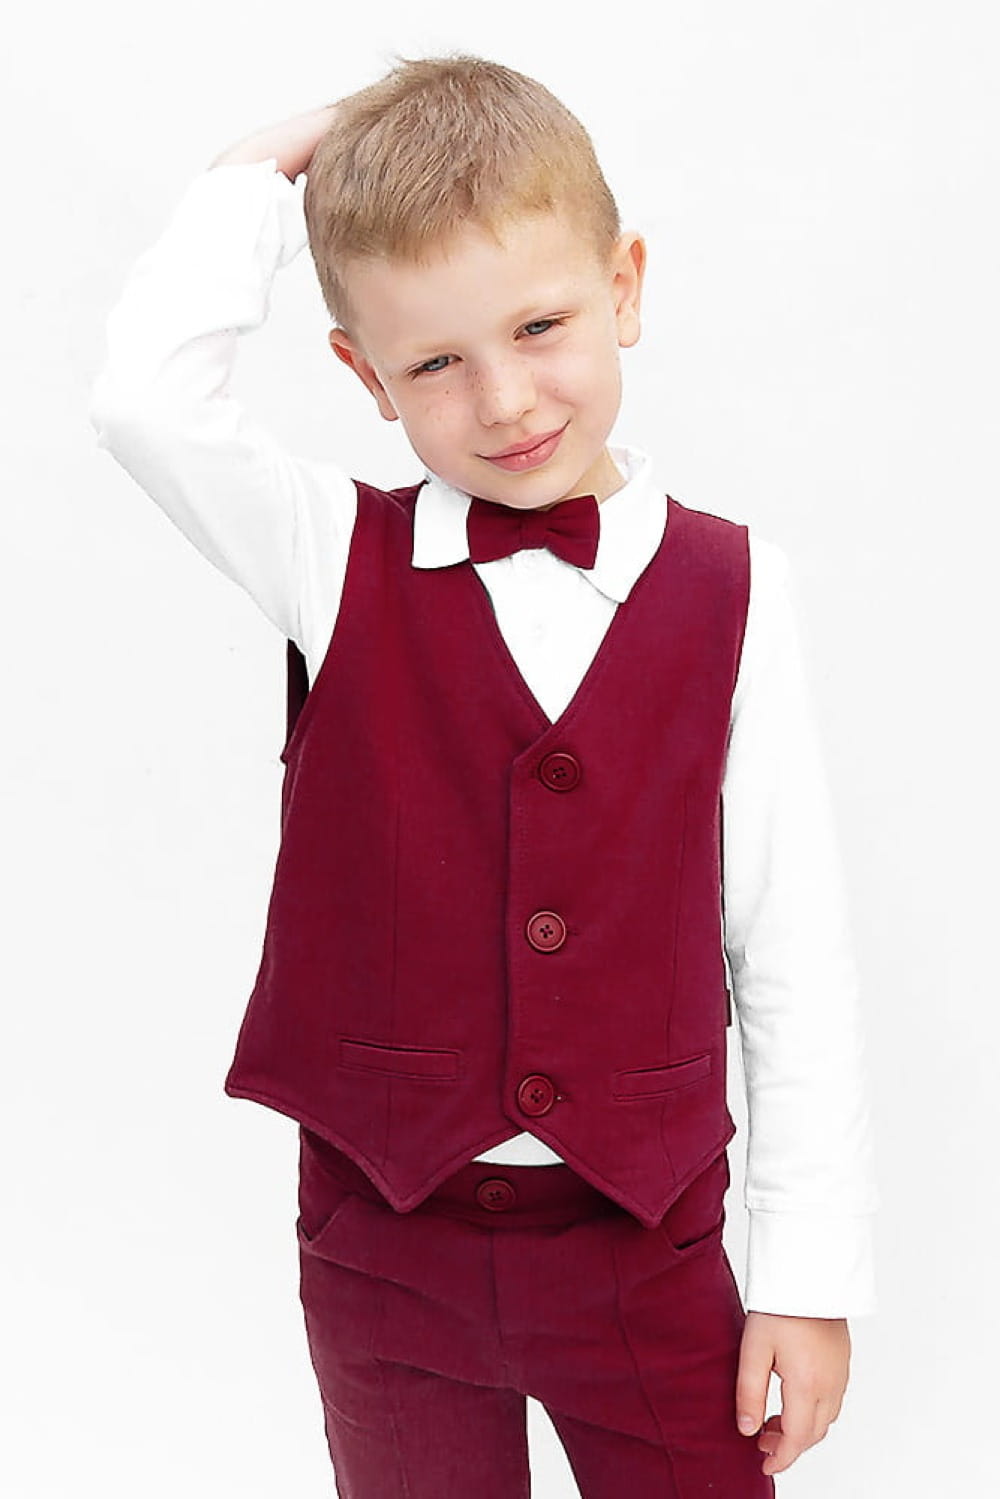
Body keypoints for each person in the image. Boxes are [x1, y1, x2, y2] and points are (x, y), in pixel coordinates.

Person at [89, 54, 878, 1498]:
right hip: (385, 1245)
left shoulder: (737, 588)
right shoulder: (330, 555)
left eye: (539, 325)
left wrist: (809, 1272)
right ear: (365, 379)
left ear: (624, 287)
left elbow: (788, 942)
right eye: (436, 363)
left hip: (647, 1246)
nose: (505, 399)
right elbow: (145, 403)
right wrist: (261, 175)